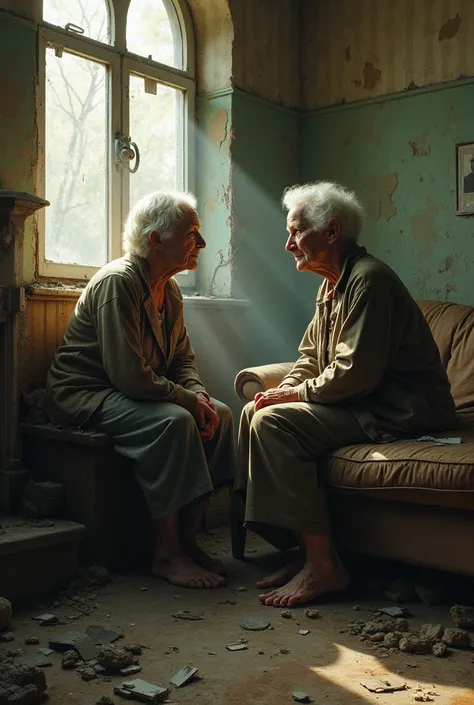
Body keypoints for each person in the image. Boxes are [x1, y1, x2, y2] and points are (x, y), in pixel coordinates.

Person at [235, 181, 456, 608]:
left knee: (275, 424)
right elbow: (310, 357)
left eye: (296, 231)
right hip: (362, 403)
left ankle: (324, 567)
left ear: (332, 232)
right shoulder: (332, 284)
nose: (288, 244)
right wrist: (283, 389)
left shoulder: (369, 280)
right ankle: (303, 551)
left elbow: (354, 374)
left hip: (401, 411)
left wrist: (292, 397)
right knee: (254, 412)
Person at [46, 191, 236, 590]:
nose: (201, 244)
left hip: (132, 391)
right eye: (192, 234)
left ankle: (187, 540)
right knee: (173, 423)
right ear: (156, 240)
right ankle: (166, 555)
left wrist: (198, 396)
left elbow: (183, 358)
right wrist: (184, 401)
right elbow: (128, 375)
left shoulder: (171, 290)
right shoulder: (119, 282)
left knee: (221, 414)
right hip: (87, 393)